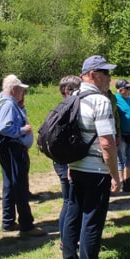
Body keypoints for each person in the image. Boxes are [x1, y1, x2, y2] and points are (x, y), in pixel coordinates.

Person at [62, 55, 122, 259]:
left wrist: (69, 164)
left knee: (73, 214)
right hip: (96, 169)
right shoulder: (101, 101)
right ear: (93, 74)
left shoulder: (73, 97)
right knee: (92, 220)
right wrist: (115, 175)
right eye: (106, 73)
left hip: (76, 166)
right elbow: (107, 143)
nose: (109, 78)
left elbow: (69, 137)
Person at [0, 74, 43, 236]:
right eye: (21, 90)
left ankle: (8, 221)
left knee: (10, 185)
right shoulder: (8, 104)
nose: (23, 93)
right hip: (13, 149)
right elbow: (3, 128)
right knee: (19, 185)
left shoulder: (3, 101)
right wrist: (22, 131)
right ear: (14, 89)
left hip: (8, 149)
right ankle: (26, 225)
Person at [53, 75, 82, 247]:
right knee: (70, 201)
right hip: (66, 161)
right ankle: (67, 240)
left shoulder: (60, 108)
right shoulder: (69, 110)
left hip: (61, 160)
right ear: (68, 91)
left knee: (68, 200)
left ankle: (67, 238)